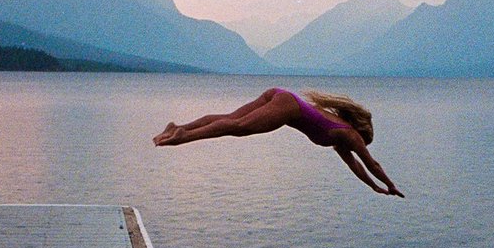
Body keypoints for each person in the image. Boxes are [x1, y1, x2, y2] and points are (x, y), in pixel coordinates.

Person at [154, 87, 404, 197]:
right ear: (361, 133)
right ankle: (183, 137)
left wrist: (374, 187)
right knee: (239, 127)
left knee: (231, 120)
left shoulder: (341, 139)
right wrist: (390, 184)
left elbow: (356, 167)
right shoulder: (350, 135)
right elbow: (372, 164)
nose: (360, 147)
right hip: (287, 106)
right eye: (363, 142)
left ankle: (178, 128)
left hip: (280, 95)